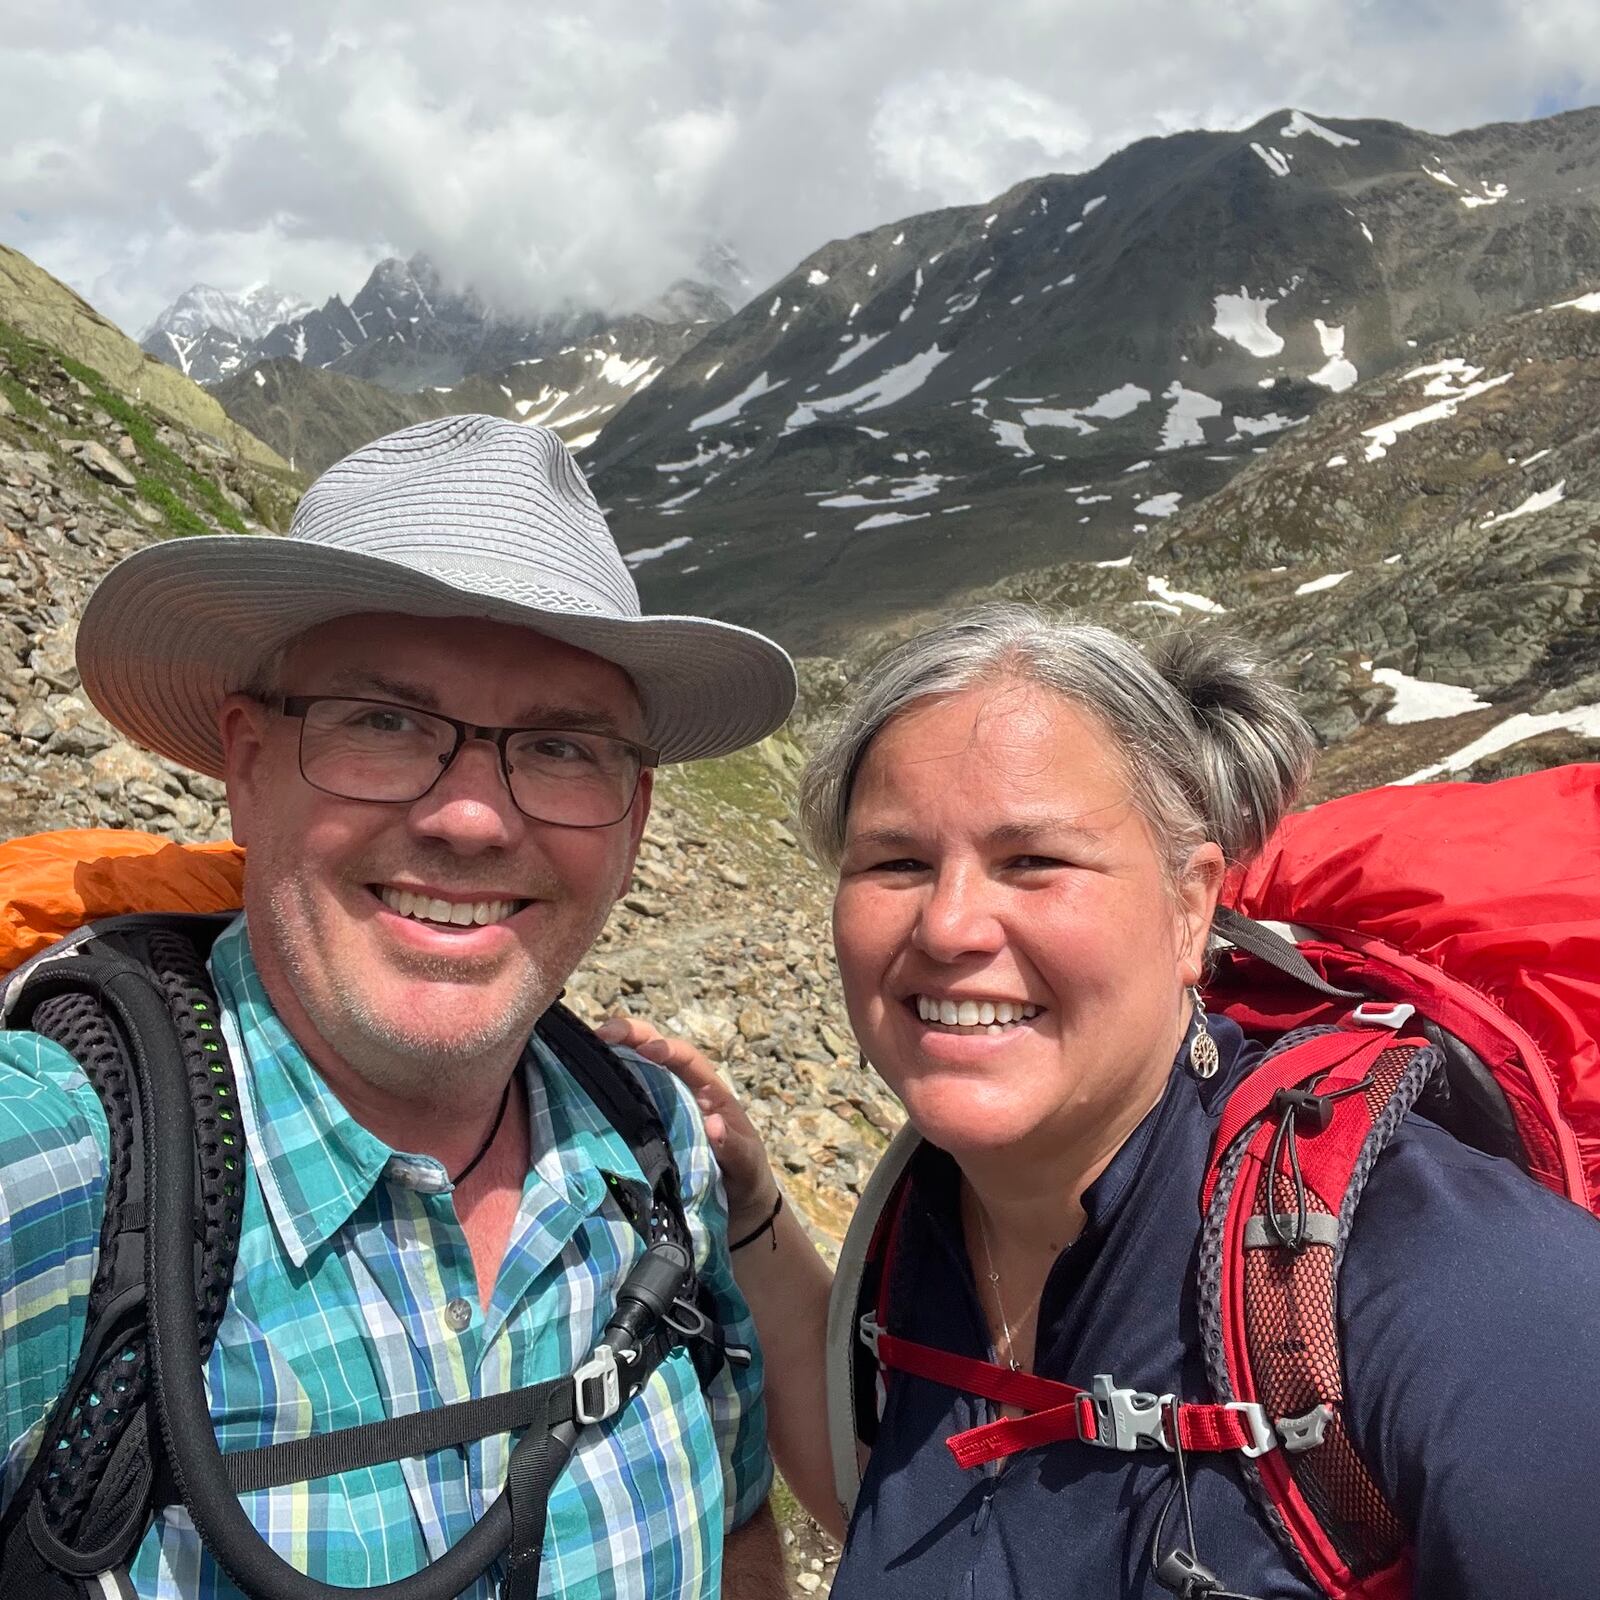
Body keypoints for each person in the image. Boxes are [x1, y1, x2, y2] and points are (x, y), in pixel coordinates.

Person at [606, 603, 1600, 1599]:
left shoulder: (1449, 1282)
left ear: (1189, 905)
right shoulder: (922, 1221)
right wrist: (748, 1213)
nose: (948, 923)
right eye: (897, 861)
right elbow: (900, 1508)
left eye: (1032, 861)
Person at [0, 416, 796, 1598]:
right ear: (248, 764)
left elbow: (735, 1532)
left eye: (561, 745)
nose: (471, 817)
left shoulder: (657, 1143)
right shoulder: (58, 1173)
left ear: (631, 820)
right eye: (383, 722)